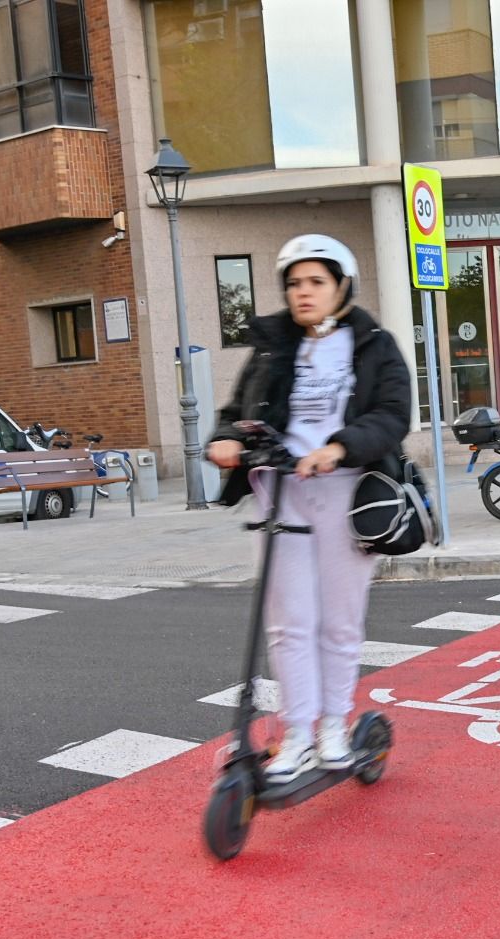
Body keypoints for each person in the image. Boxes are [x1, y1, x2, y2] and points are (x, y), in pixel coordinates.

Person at [207, 234, 412, 783]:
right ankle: (296, 731)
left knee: (338, 622)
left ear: (342, 285)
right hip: (281, 490)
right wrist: (224, 440)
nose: (303, 293)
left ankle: (333, 728)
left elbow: (393, 413)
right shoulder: (274, 345)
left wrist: (339, 445)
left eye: (316, 282)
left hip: (347, 494)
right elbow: (236, 409)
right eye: (295, 283)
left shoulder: (374, 344)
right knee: (289, 622)